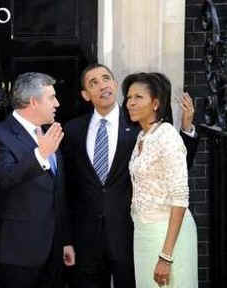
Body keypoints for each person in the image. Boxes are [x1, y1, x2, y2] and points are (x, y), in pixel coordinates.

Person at [62, 63, 198, 288]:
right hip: (87, 239)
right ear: (86, 95)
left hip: (130, 235)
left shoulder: (140, 125)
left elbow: (177, 174)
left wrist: (186, 130)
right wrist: (67, 238)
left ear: (114, 85)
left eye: (106, 78)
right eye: (93, 83)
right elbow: (67, 188)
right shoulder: (74, 130)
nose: (102, 86)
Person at [0, 72, 75, 288]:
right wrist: (40, 155)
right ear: (34, 102)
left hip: (53, 252)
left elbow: (57, 192)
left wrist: (65, 240)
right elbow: (5, 178)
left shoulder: (47, 133)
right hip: (17, 254)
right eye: (51, 97)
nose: (57, 103)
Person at [124, 72, 198, 287]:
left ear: (155, 103)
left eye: (138, 97)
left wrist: (166, 255)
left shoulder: (167, 135)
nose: (130, 103)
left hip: (168, 235)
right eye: (129, 97)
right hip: (143, 232)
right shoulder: (143, 136)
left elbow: (180, 197)